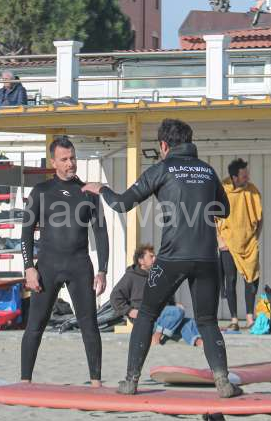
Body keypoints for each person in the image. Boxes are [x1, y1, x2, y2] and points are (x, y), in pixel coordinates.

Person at [82, 118, 240, 398]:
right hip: (207, 259)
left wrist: (102, 189)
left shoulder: (161, 169)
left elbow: (122, 204)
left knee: (146, 315)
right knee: (207, 321)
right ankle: (223, 381)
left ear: (164, 145)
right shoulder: (207, 170)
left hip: (171, 259)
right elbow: (224, 210)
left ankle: (131, 381)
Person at [21, 136, 109, 387]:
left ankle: (96, 383)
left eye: (73, 158)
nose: (70, 163)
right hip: (47, 266)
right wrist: (29, 268)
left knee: (89, 325)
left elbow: (101, 233)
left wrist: (102, 270)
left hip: (79, 266)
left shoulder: (89, 192)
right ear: (54, 162)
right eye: (64, 159)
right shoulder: (41, 191)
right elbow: (26, 232)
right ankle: (25, 382)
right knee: (35, 325)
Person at [111, 244, 203, 347]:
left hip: (160, 315)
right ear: (141, 261)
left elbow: (166, 296)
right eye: (151, 256)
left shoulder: (157, 275)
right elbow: (115, 297)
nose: (155, 259)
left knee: (187, 321)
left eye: (155, 256)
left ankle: (197, 341)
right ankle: (156, 337)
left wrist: (174, 304)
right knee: (177, 312)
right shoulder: (131, 276)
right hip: (144, 318)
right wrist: (129, 311)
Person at [217, 158, 263, 331]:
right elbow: (212, 217)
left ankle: (250, 318)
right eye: (244, 176)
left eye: (247, 174)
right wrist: (220, 241)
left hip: (248, 242)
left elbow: (260, 217)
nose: (247, 178)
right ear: (234, 177)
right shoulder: (222, 190)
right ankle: (234, 319)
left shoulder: (252, 191)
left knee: (251, 278)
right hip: (228, 242)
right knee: (231, 280)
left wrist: (255, 237)